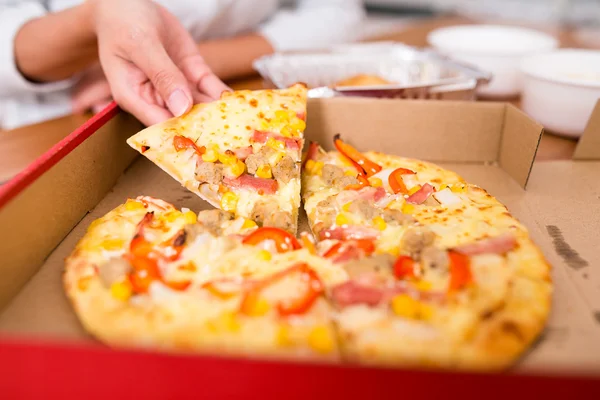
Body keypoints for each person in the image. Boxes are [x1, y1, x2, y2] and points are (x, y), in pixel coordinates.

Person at [0, 0, 365, 129]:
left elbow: (338, 12)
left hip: (234, 86)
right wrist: (95, 15)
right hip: (57, 120)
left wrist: (182, 63)